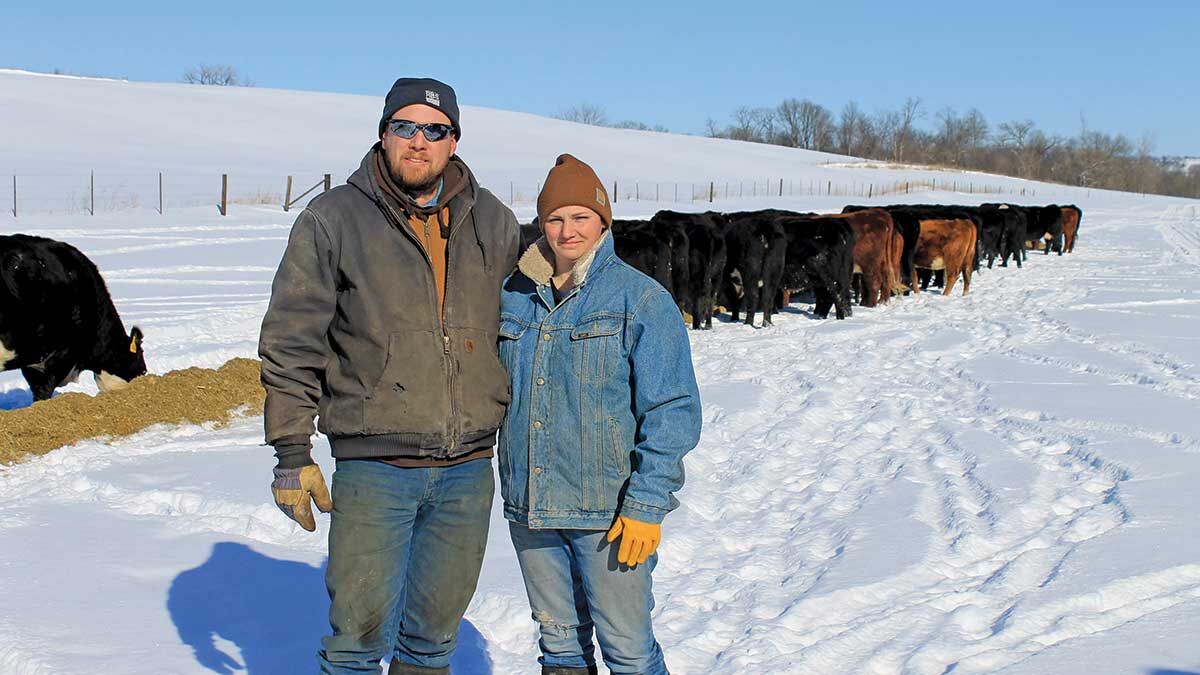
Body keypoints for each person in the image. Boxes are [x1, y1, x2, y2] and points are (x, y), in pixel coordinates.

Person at [258, 77, 519, 675]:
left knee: (432, 642)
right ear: (382, 135)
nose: (418, 142)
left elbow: (535, 318)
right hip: (376, 469)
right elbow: (292, 340)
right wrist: (292, 452)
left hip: (468, 470)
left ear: (454, 142)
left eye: (434, 130)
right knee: (355, 642)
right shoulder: (334, 220)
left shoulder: (495, 222)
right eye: (404, 128)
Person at [497, 154, 702, 675]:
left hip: (609, 514)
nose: (567, 230)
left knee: (628, 652)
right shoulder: (512, 298)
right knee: (559, 649)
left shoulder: (639, 299)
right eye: (555, 218)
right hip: (533, 507)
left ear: (604, 221)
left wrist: (647, 503)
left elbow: (672, 410)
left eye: (581, 217)